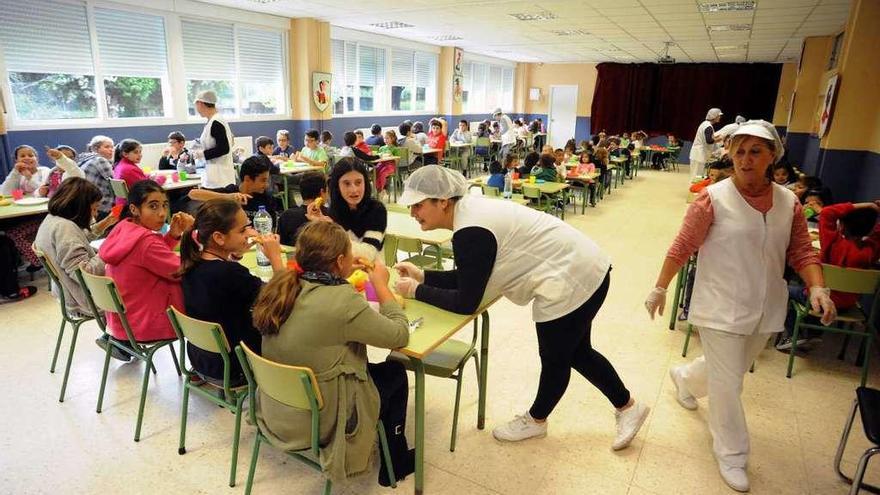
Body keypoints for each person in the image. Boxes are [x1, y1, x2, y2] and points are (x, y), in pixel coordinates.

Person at [394, 166, 648, 449]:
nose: (413, 212)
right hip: (583, 265)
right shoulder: (469, 214)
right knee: (576, 352)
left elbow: (466, 302)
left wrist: (416, 291)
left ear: (442, 200)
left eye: (418, 205)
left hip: (570, 276)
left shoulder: (471, 229)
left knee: (556, 357)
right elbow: (470, 278)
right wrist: (423, 275)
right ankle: (627, 406)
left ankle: (537, 421)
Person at [644, 120, 834, 492]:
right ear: (730, 154)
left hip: (765, 307)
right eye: (739, 151)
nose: (745, 160)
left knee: (726, 370)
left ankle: (684, 378)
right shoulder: (713, 198)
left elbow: (802, 251)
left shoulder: (789, 203)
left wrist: (817, 288)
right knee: (730, 384)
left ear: (772, 156)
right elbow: (683, 245)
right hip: (719, 304)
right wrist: (660, 287)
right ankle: (732, 454)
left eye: (755, 152)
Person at [251, 221, 414, 486]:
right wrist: (380, 284)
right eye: (349, 254)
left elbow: (320, 304)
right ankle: (394, 465)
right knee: (394, 371)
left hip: (276, 409)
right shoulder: (343, 301)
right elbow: (398, 336)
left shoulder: (281, 284)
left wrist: (343, 277)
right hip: (322, 417)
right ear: (340, 261)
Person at [178, 198, 285, 384]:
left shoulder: (191, 264)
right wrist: (275, 257)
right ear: (219, 238)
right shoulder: (231, 274)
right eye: (243, 229)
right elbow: (281, 295)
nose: (249, 233)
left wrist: (233, 254)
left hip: (202, 361)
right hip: (237, 367)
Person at [97, 180, 194, 358]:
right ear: (134, 209)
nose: (162, 213)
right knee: (208, 295)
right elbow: (180, 271)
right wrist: (193, 234)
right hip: (148, 322)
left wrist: (172, 236)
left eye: (164, 205)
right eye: (153, 206)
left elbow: (150, 257)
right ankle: (204, 366)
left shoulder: (124, 226)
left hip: (125, 320)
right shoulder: (146, 242)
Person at [777, 200, 880, 350]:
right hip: (848, 304)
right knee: (808, 293)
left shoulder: (832, 242)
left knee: (786, 289)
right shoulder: (871, 250)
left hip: (822, 298)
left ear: (842, 225)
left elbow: (827, 212)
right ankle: (813, 332)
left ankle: (794, 335)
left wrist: (868, 205)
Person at [34, 177, 118, 316]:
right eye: (94, 208)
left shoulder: (54, 219)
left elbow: (78, 239)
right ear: (80, 207)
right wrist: (109, 249)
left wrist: (106, 222)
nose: (96, 214)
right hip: (86, 300)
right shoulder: (65, 229)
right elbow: (84, 273)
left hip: (68, 293)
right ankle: (120, 334)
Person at [306, 158, 387, 262]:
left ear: (365, 183)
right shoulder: (333, 211)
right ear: (337, 186)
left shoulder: (376, 210)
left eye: (358, 182)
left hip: (371, 272)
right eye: (346, 183)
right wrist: (320, 224)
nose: (354, 190)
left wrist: (334, 231)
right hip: (342, 272)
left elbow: (367, 256)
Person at [188, 156, 279, 224]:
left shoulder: (267, 199)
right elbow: (193, 194)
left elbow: (271, 229)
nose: (266, 185)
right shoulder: (231, 191)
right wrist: (228, 198)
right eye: (263, 180)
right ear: (247, 179)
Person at [191, 90, 236, 189]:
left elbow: (224, 148)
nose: (197, 109)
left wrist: (202, 154)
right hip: (215, 174)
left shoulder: (216, 122)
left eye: (196, 106)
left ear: (201, 103)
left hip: (221, 177)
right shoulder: (213, 121)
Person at [277, 171, 329, 246]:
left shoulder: (287, 216)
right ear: (322, 192)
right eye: (327, 191)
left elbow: (280, 245)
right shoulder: (329, 216)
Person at [77, 135, 116, 218]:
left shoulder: (85, 159)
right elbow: (115, 181)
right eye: (107, 147)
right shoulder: (100, 160)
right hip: (101, 206)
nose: (111, 150)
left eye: (112, 147)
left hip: (86, 202)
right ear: (95, 148)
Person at [112, 139, 148, 206]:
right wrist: (158, 180)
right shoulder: (130, 169)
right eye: (136, 152)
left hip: (120, 204)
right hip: (132, 205)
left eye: (140, 152)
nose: (140, 155)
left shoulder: (119, 165)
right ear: (125, 154)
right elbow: (148, 187)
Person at [689, 108, 723, 179]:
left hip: (697, 153)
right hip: (699, 154)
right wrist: (719, 139)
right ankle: (694, 188)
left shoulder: (704, 124)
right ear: (714, 116)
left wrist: (715, 139)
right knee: (697, 175)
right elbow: (709, 141)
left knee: (695, 175)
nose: (720, 117)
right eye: (719, 116)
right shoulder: (708, 127)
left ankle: (694, 187)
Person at [375, 130, 400, 197]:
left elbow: (397, 161)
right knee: (375, 171)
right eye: (384, 138)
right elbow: (378, 158)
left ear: (392, 139)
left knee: (382, 174)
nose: (385, 140)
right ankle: (379, 189)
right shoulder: (381, 148)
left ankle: (382, 189)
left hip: (390, 166)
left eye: (387, 138)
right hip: (382, 164)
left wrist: (392, 156)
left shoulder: (395, 148)